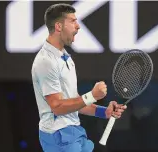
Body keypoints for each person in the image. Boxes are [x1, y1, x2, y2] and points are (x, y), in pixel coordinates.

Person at [31, 3, 127, 152]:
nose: (78, 26)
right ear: (58, 26)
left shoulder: (65, 58)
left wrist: (104, 112)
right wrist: (92, 95)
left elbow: (72, 100)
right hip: (58, 136)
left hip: (74, 133)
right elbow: (57, 107)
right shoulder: (46, 62)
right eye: (72, 21)